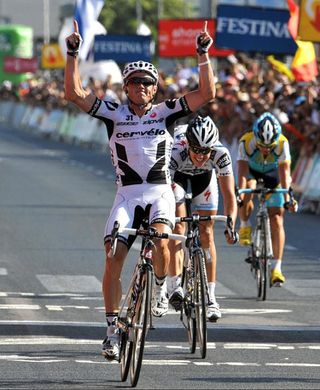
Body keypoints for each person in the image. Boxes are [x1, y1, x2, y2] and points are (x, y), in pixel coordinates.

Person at [64, 20, 216, 360]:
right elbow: (74, 94)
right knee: (112, 257)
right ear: (126, 87)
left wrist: (202, 54)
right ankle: (111, 331)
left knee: (162, 240)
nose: (141, 88)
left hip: (160, 191)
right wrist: (72, 52)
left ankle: (160, 288)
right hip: (127, 195)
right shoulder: (114, 114)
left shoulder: (167, 112)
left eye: (148, 83)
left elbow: (207, 95)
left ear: (155, 87)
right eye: (134, 83)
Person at [167, 115, 238, 322]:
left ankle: (211, 298)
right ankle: (173, 285)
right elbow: (161, 190)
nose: (200, 155)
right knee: (178, 229)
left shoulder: (220, 153)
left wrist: (231, 224)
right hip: (177, 178)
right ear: (188, 144)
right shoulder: (176, 151)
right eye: (196, 149)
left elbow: (229, 196)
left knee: (206, 232)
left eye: (205, 151)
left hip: (204, 181)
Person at [237, 112, 298, 286]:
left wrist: (288, 198)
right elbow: (241, 172)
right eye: (262, 145)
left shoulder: (282, 143)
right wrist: (241, 195)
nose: (266, 149)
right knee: (247, 190)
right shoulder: (246, 141)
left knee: (277, 218)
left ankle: (277, 268)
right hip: (251, 173)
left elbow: (285, 174)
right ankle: (244, 224)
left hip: (273, 176)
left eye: (269, 146)